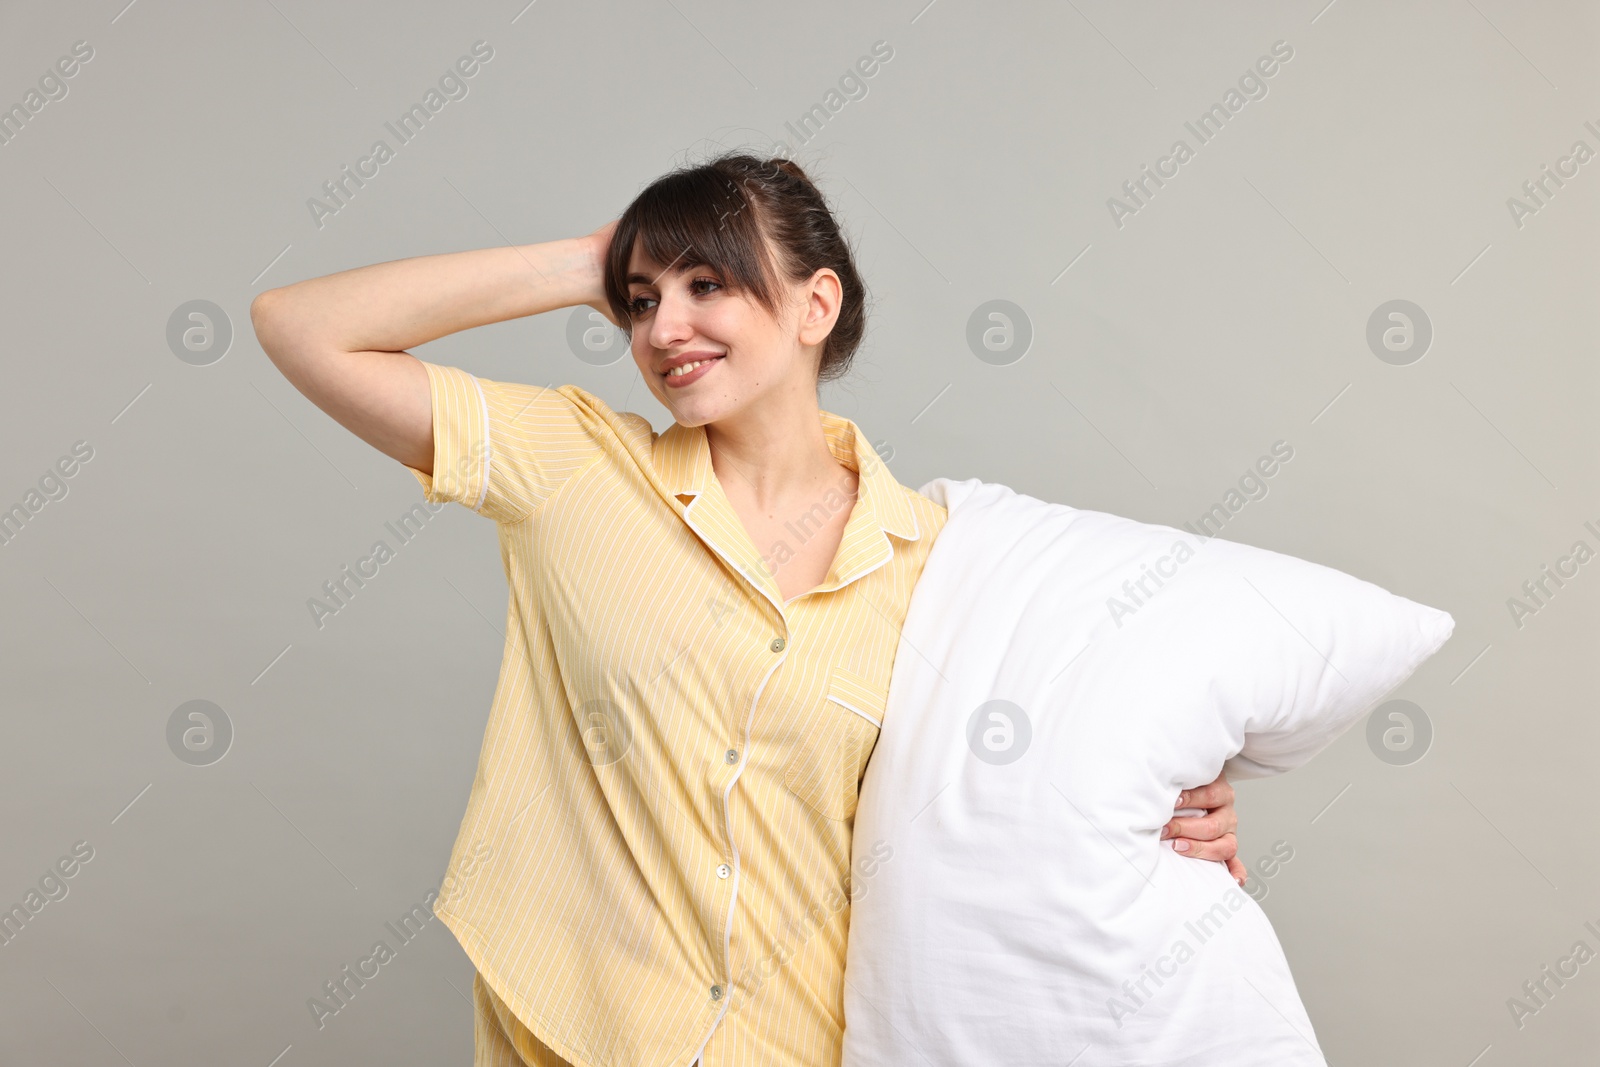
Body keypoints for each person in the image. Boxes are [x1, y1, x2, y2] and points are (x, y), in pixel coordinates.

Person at [250, 151, 1245, 1067]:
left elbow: (1011, 795)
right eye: (640, 299)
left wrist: (1169, 823)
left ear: (817, 304)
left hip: (802, 1042)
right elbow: (299, 325)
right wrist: (589, 258)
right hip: (576, 1034)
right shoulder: (576, 466)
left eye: (707, 283)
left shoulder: (938, 561)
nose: (661, 328)